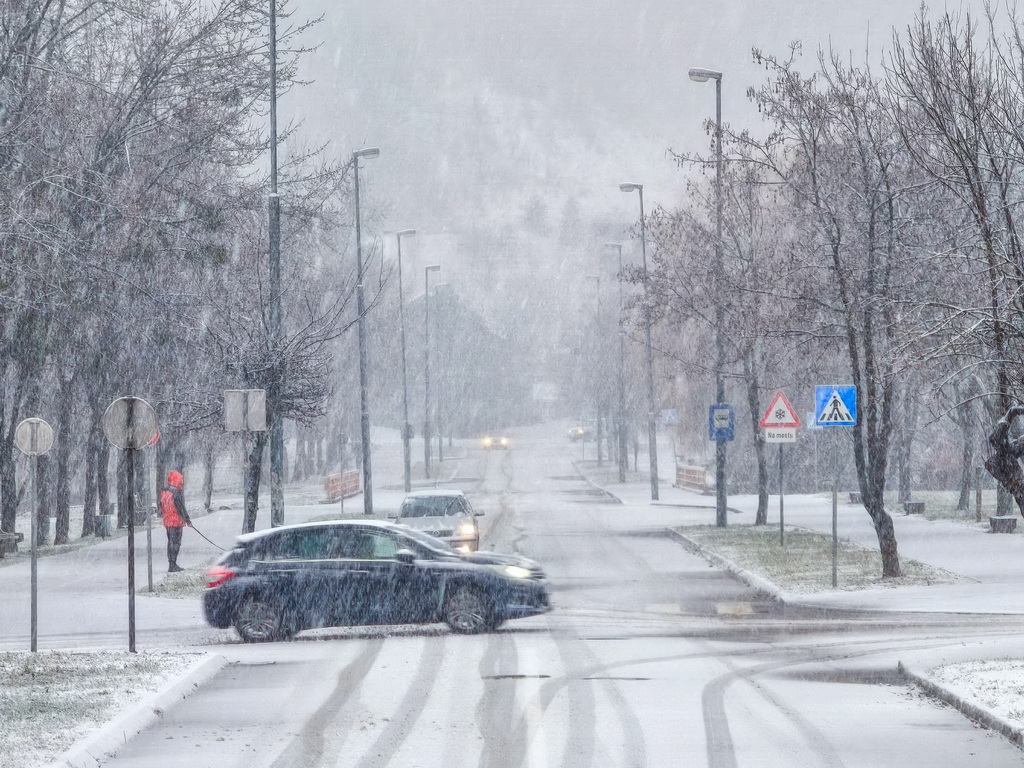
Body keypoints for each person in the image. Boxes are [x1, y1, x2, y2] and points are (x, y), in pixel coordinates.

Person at [160, 470, 191, 572]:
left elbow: (161, 506)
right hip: (176, 521)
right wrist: (187, 519)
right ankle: (173, 564)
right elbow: (181, 508)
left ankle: (171, 563)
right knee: (176, 543)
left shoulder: (164, 491)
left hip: (168, 521)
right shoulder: (176, 492)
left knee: (171, 542)